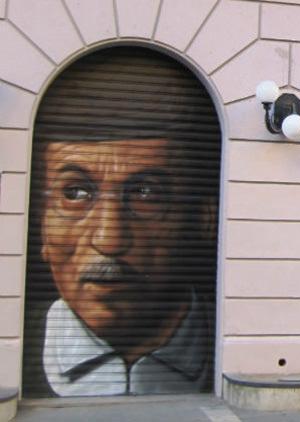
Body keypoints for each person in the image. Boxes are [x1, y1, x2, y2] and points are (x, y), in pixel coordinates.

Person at [24, 47, 220, 397]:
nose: (109, 239)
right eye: (75, 193)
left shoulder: (228, 330)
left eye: (146, 194)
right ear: (41, 227)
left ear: (204, 221)